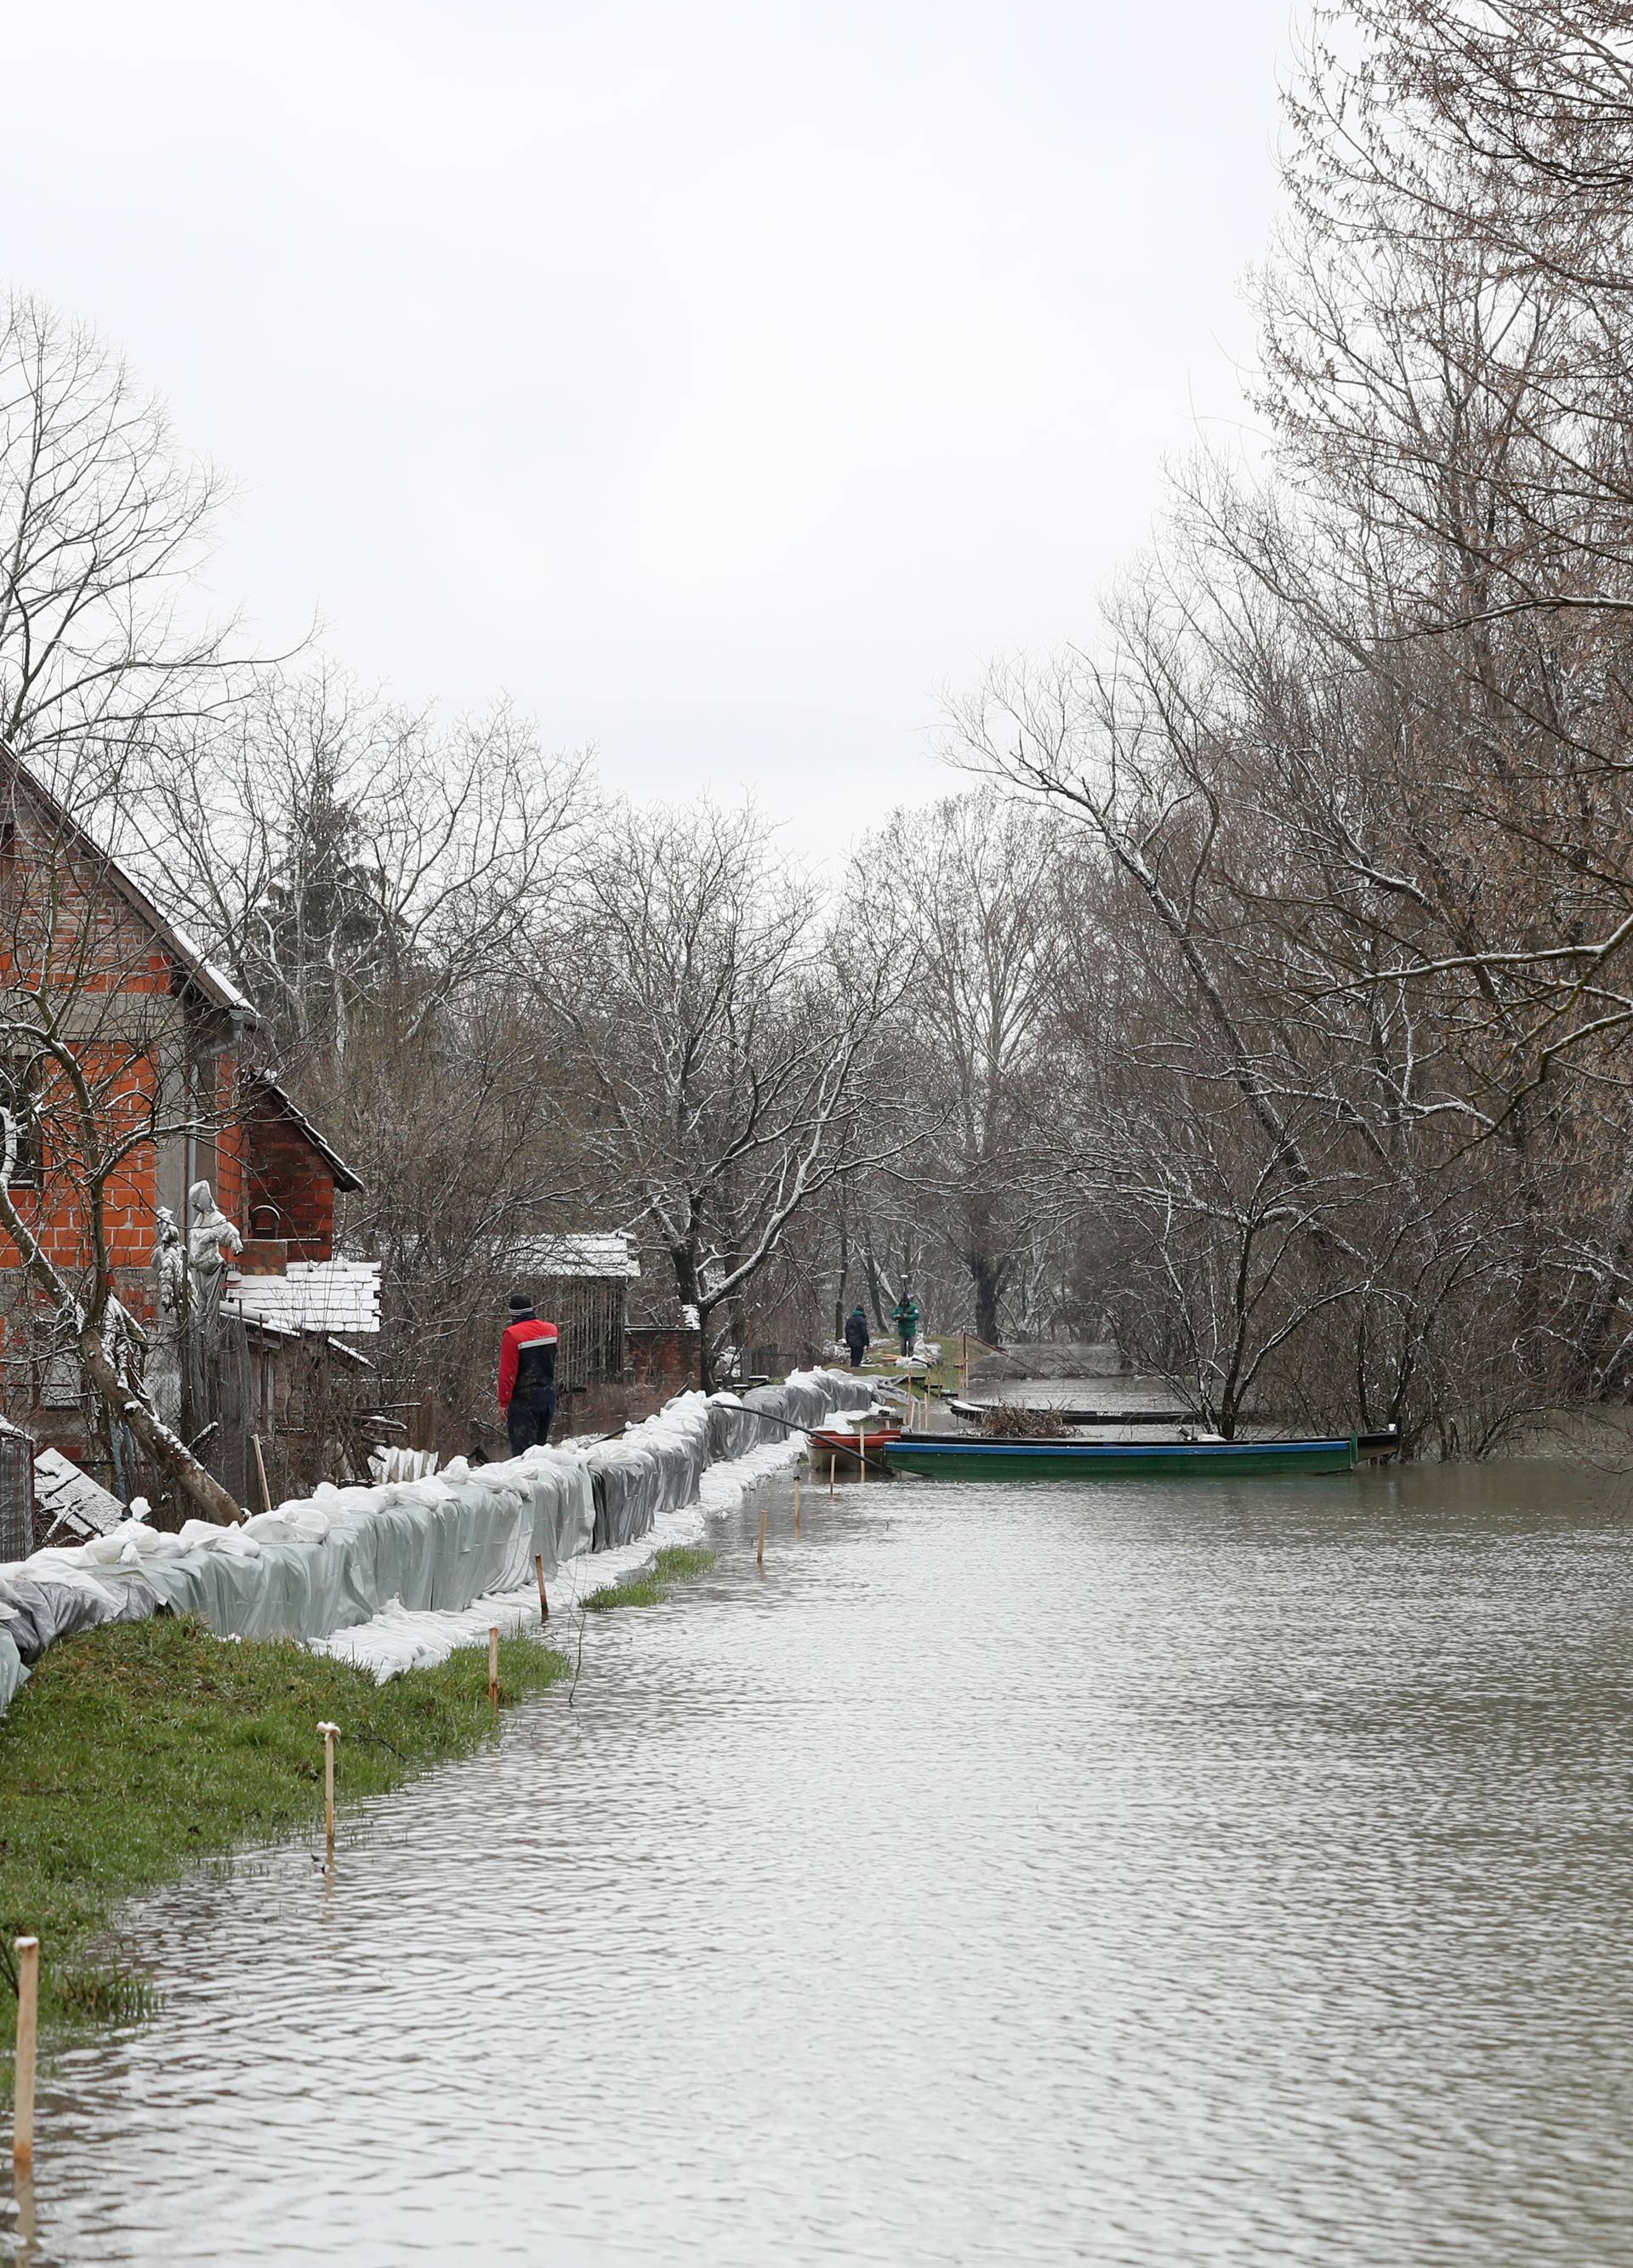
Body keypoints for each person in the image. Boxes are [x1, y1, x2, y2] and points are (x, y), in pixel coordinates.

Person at [498, 1292, 560, 1453]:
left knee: (524, 1457)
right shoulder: (551, 1330)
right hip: (548, 1398)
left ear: (512, 1314)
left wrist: (504, 1402)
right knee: (540, 1452)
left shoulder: (513, 1335)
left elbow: (508, 1373)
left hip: (524, 1402)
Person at [891, 1288, 921, 1357]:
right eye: (902, 1302)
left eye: (905, 1302)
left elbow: (916, 1316)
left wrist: (907, 1317)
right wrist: (897, 1316)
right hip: (902, 1331)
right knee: (902, 1347)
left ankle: (911, 1358)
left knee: (911, 1346)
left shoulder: (913, 1307)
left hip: (911, 1331)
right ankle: (903, 1358)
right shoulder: (898, 1308)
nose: (903, 1304)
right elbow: (893, 1316)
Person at [843, 1304, 870, 1368]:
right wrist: (867, 1342)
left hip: (851, 1341)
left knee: (853, 1356)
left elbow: (846, 1331)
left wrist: (848, 1340)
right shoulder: (862, 1320)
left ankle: (852, 1370)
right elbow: (864, 1333)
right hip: (859, 1342)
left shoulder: (850, 1319)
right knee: (858, 1358)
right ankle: (855, 1371)